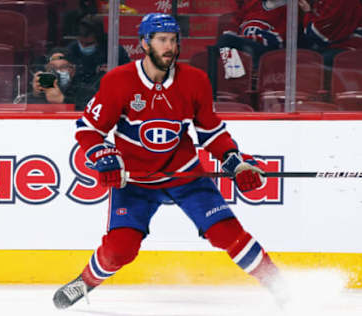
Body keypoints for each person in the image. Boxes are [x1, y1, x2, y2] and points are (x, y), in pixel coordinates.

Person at [53, 13, 288, 309]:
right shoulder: (118, 81)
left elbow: (211, 133)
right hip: (136, 180)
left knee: (227, 233)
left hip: (184, 174)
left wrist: (236, 162)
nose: (169, 47)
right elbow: (89, 130)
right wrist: (105, 158)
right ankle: (83, 283)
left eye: (173, 40)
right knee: (119, 250)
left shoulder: (195, 80)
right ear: (144, 42)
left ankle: (282, 287)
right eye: (162, 40)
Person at [66, 14, 130, 86]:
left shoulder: (114, 51)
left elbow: (128, 76)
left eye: (89, 44)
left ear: (99, 40)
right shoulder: (72, 49)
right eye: (81, 42)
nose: (83, 46)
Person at [28, 47, 98, 111]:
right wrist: (36, 95)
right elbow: (23, 108)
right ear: (46, 70)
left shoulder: (86, 92)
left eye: (63, 67)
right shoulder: (41, 91)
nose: (57, 71)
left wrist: (63, 100)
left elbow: (93, 113)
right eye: (52, 68)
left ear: (73, 71)